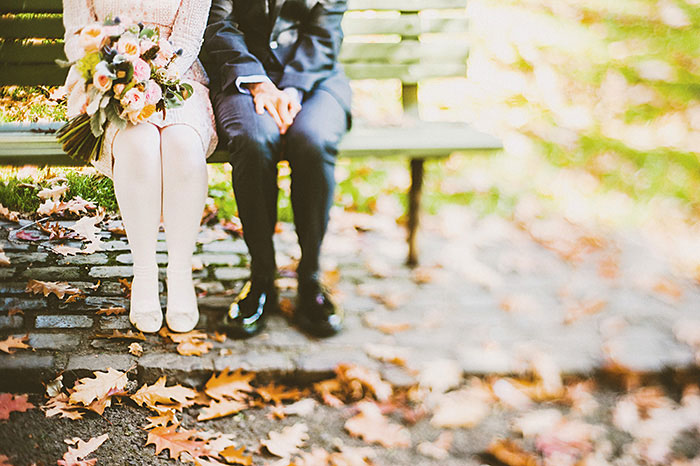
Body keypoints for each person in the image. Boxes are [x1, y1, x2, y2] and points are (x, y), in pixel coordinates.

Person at [62, 0, 218, 333]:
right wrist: (111, 68)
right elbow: (75, 38)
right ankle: (145, 272)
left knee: (183, 145)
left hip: (176, 74)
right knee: (139, 143)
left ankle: (179, 272)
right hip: (105, 78)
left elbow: (188, 39)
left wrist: (155, 78)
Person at [201, 0, 352, 338]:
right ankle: (262, 279)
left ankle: (310, 277)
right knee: (254, 140)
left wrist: (293, 91)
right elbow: (217, 20)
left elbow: (325, 32)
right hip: (243, 72)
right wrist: (256, 81)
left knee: (313, 140)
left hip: (315, 77)